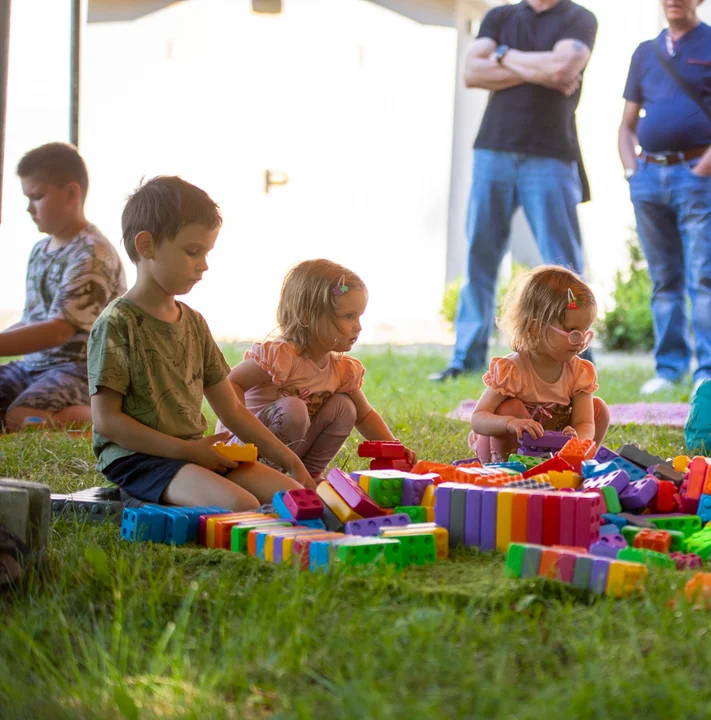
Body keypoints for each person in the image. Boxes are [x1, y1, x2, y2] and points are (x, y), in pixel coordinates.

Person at [88, 176, 314, 511]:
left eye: (206, 252)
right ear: (146, 245)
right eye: (193, 251)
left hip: (194, 452)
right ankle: (139, 498)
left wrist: (290, 461)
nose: (204, 265)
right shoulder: (116, 324)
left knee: (294, 498)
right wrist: (189, 452)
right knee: (241, 506)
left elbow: (233, 408)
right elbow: (107, 422)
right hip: (138, 459)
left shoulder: (193, 323)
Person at [430, 0, 598, 382]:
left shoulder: (579, 18)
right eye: (502, 51)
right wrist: (538, 69)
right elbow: (472, 73)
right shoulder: (500, 16)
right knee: (480, 257)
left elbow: (563, 67)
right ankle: (466, 359)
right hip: (493, 150)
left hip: (552, 154)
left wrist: (502, 57)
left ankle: (579, 361)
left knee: (565, 266)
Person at [619, 0, 711, 395]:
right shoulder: (645, 52)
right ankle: (669, 368)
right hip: (647, 177)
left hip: (698, 177)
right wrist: (631, 171)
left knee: (705, 277)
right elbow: (626, 125)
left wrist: (707, 166)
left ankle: (708, 372)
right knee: (664, 279)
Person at [219, 259, 416, 479]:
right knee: (294, 409)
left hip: (290, 453)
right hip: (247, 450)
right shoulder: (282, 356)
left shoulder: (341, 369)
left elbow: (365, 415)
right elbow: (231, 382)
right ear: (307, 316)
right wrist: (233, 431)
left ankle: (309, 474)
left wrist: (395, 448)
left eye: (359, 316)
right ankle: (266, 476)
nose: (358, 326)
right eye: (348, 316)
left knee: (345, 407)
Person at [0, 142, 126, 431]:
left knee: (21, 419)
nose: (29, 208)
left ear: (71, 193)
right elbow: (32, 321)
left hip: (81, 370)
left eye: (37, 196)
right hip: (33, 366)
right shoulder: (39, 250)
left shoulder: (92, 253)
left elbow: (58, 330)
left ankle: (106, 419)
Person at [469, 265, 609, 463]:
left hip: (551, 445)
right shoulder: (514, 370)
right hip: (502, 446)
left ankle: (575, 460)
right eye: (573, 332)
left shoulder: (579, 372)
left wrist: (579, 436)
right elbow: (478, 419)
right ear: (535, 327)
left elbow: (585, 422)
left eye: (585, 333)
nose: (580, 342)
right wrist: (510, 423)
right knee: (512, 408)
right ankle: (508, 466)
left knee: (598, 408)